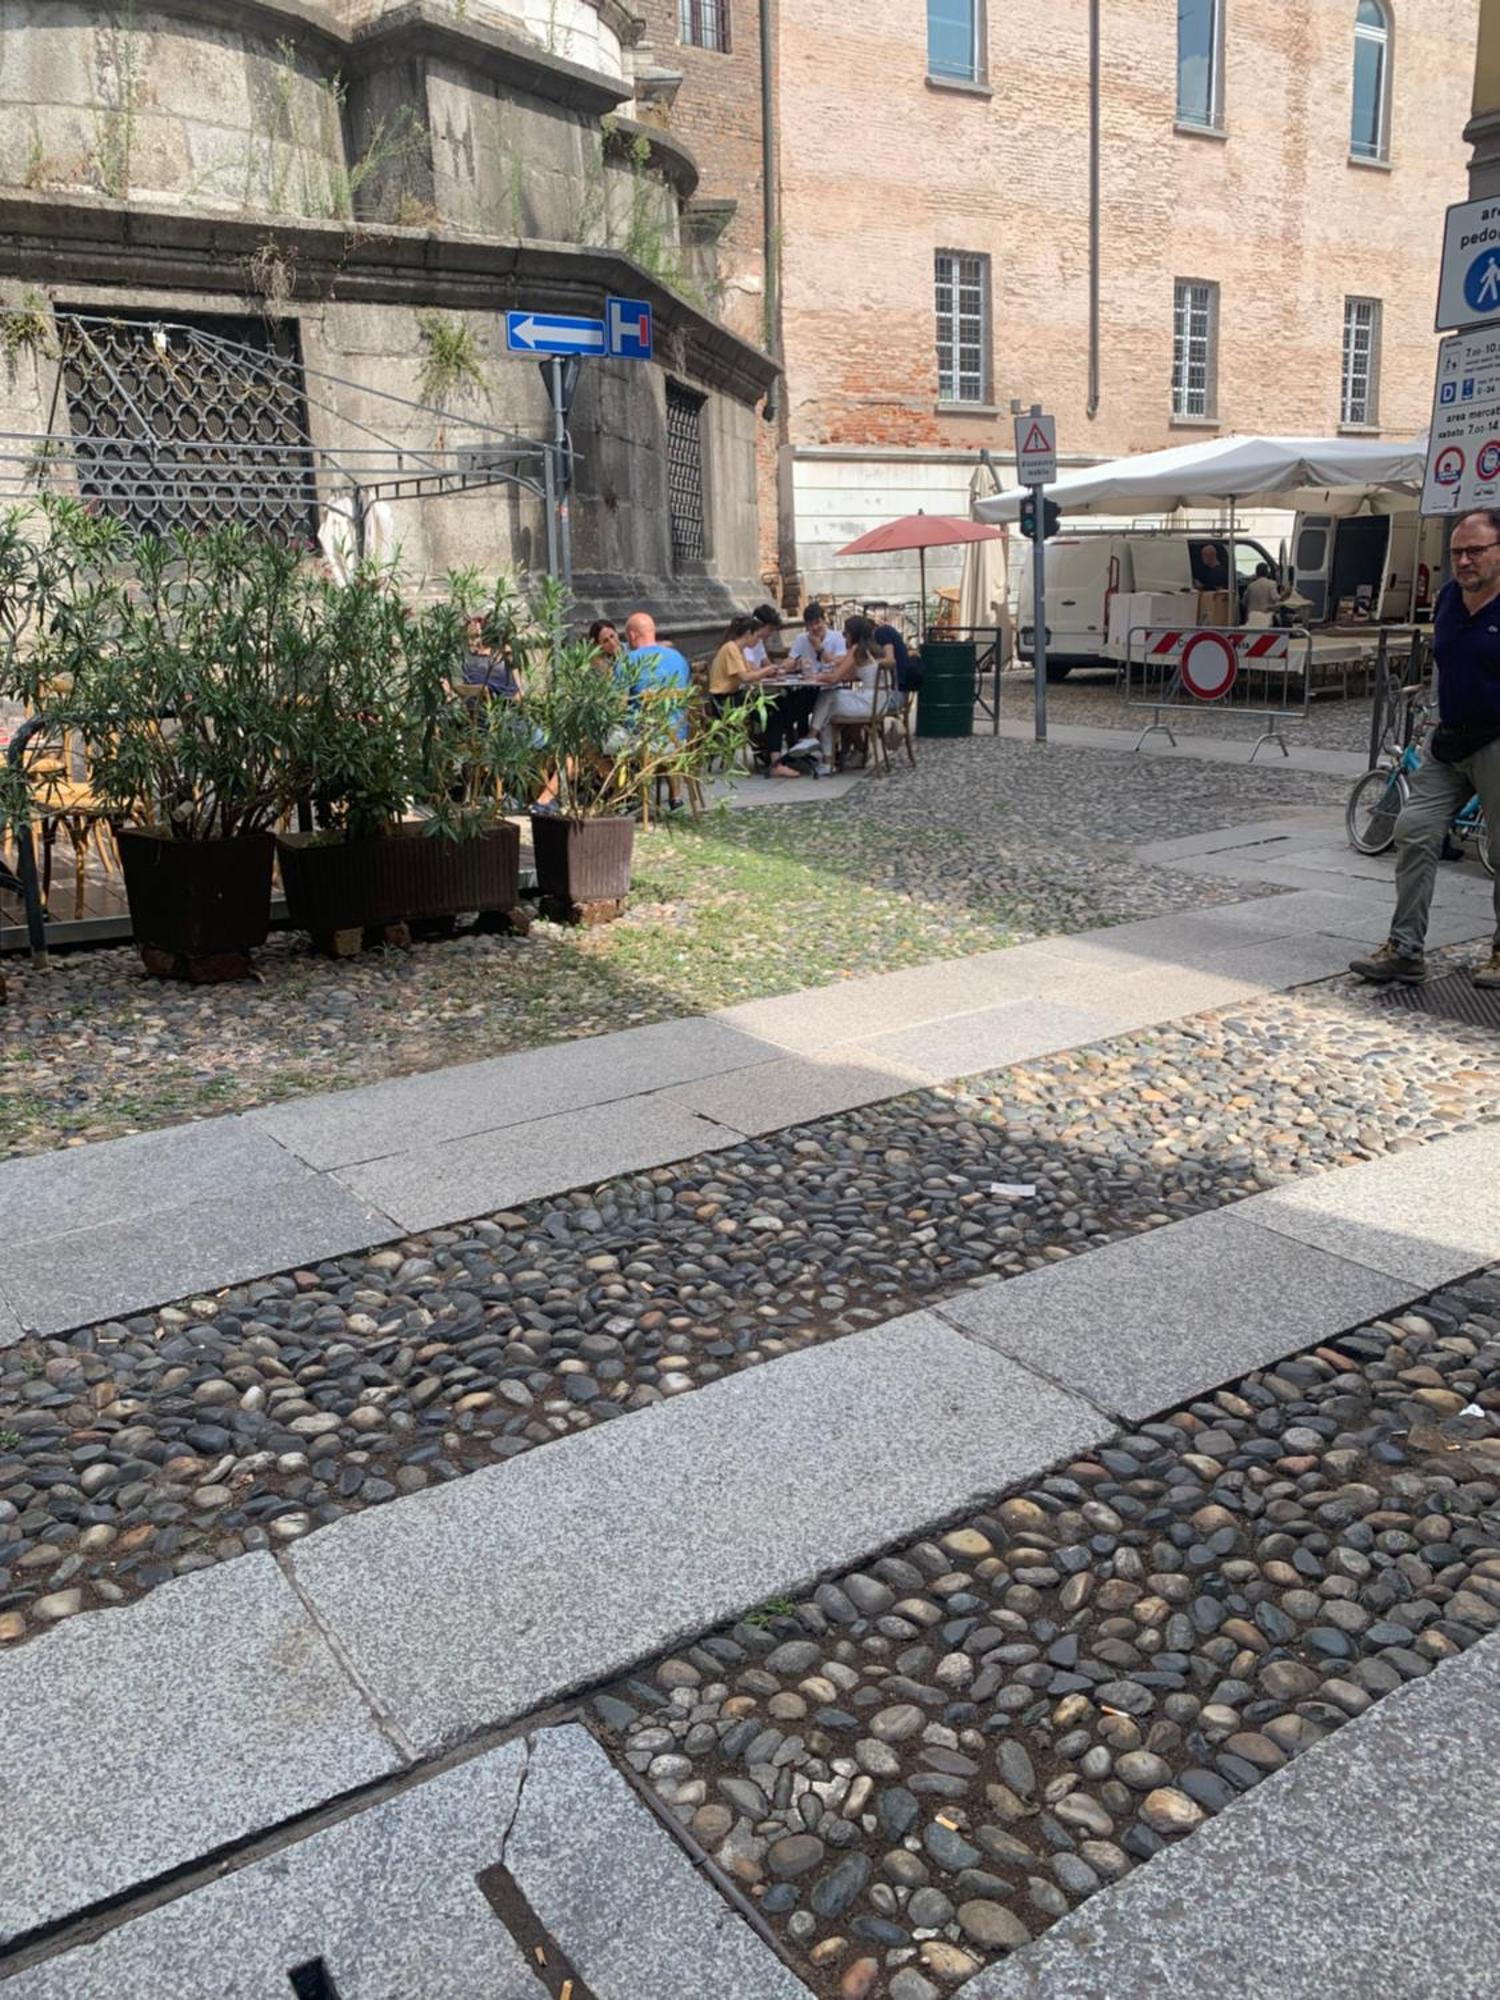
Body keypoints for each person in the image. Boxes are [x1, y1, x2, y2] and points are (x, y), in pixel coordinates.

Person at [1350, 508, 1500, 988]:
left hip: (1497, 739)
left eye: (1475, 551)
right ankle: (1406, 949)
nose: (1464, 560)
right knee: (1414, 829)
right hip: (1449, 739)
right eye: (1457, 552)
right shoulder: (1450, 599)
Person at [623, 610, 691, 808]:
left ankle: (629, 794)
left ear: (632, 636)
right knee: (666, 734)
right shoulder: (678, 658)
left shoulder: (629, 660)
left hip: (643, 740)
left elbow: (616, 704)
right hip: (679, 738)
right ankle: (676, 796)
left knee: (600, 741)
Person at [810, 615, 891, 765]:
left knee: (827, 698)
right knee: (828, 705)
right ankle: (823, 754)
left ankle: (815, 743)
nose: (844, 636)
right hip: (880, 702)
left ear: (853, 634)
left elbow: (835, 678)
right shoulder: (873, 649)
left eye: (845, 633)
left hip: (870, 702)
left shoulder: (857, 649)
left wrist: (816, 677)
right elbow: (851, 674)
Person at [707, 612, 775, 717]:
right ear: (748, 634)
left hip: (734, 695)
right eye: (757, 637)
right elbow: (745, 677)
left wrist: (768, 671)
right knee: (769, 710)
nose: (758, 641)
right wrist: (766, 670)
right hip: (724, 699)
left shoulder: (740, 650)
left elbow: (750, 671)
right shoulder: (731, 648)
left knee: (778, 702)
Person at [460, 613, 521, 698]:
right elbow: (518, 698)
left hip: (478, 707)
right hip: (492, 703)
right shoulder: (496, 671)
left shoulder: (467, 666)